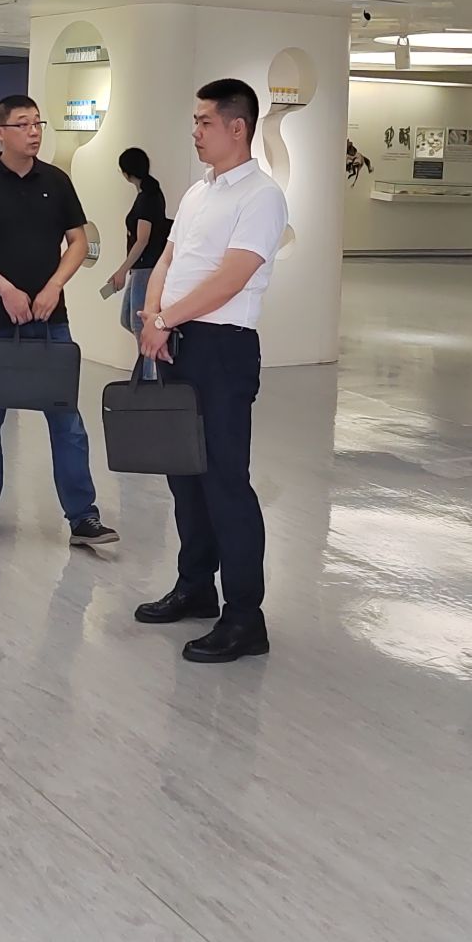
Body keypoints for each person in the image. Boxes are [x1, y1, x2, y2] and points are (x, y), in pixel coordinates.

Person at [133, 79, 289, 663]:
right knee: (185, 475)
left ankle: (245, 617)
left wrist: (164, 318)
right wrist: (153, 314)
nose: (195, 132)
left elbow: (232, 277)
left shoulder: (262, 196)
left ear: (237, 127)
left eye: (204, 122)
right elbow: (168, 258)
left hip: (222, 349)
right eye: (195, 121)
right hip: (177, 340)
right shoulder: (199, 191)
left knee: (225, 483)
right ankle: (195, 586)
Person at [0, 94, 119, 548]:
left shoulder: (57, 182)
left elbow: (78, 242)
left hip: (50, 321)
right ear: (0, 132)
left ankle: (83, 517)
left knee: (66, 419)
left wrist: (54, 286)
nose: (33, 132)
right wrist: (5, 289)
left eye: (37, 124)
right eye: (23, 124)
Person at [105, 147, 170, 347]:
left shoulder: (147, 199)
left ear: (126, 173)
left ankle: (147, 365)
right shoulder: (149, 194)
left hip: (146, 267)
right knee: (128, 318)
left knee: (139, 323)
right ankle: (145, 363)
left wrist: (122, 271)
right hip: (142, 266)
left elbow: (142, 240)